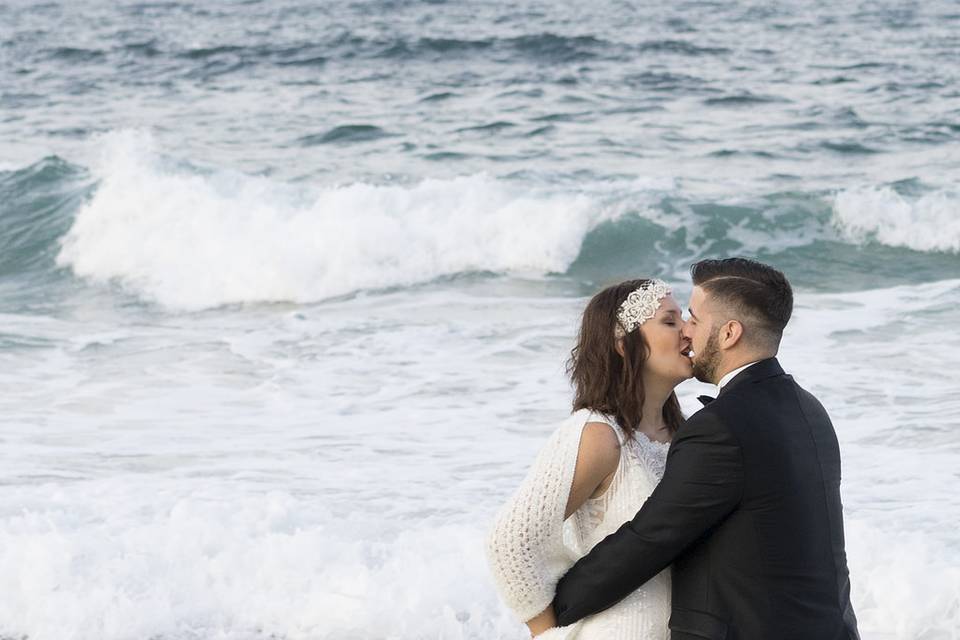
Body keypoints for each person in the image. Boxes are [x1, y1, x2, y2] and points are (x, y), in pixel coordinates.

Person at [552, 258, 861, 640]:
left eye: (694, 319)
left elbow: (650, 540)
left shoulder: (722, 427)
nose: (687, 332)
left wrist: (556, 607)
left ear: (729, 333)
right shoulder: (810, 409)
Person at [486, 278, 693, 639]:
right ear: (622, 346)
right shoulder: (598, 434)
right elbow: (510, 541)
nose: (688, 333)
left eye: (686, 320)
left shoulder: (686, 435)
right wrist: (546, 634)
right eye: (670, 321)